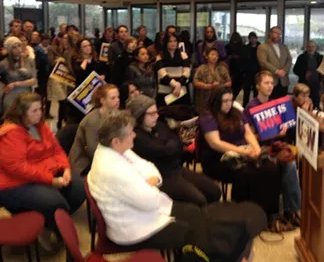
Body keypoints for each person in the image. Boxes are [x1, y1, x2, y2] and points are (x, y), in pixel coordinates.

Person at [88, 111, 260, 261]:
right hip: (135, 228)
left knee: (196, 212)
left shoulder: (116, 149)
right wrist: (149, 184)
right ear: (116, 141)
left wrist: (149, 182)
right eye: (130, 133)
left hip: (143, 211)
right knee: (196, 233)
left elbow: (148, 166)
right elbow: (150, 201)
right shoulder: (112, 169)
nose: (134, 135)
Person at [0, 92, 85, 249]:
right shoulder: (10, 133)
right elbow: (18, 168)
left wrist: (65, 168)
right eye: (35, 110)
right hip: (14, 183)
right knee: (56, 202)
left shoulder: (40, 126)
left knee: (79, 188)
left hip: (42, 172)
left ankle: (47, 225)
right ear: (21, 112)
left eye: (41, 109)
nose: (40, 114)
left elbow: (57, 150)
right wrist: (51, 181)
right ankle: (50, 225)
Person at [199, 86, 282, 226]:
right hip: (217, 159)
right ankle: (242, 216)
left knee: (271, 168)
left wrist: (256, 149)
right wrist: (243, 152)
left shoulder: (236, 112)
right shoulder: (208, 117)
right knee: (245, 173)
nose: (228, 104)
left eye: (230, 100)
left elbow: (248, 133)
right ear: (216, 101)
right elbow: (215, 143)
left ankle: (268, 214)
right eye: (224, 101)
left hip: (243, 153)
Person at [127, 94, 221, 206]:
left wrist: (168, 146)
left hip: (177, 169)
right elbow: (162, 150)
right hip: (162, 176)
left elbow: (178, 143)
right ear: (140, 115)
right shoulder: (135, 135)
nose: (156, 116)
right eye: (151, 114)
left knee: (214, 191)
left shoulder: (159, 125)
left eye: (156, 112)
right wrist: (169, 145)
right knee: (199, 200)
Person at [243, 70, 302, 227]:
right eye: (266, 83)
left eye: (271, 83)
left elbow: (285, 128)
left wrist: (281, 130)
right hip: (260, 148)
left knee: (290, 163)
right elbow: (248, 136)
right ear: (257, 86)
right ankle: (284, 211)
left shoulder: (276, 105)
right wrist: (267, 135)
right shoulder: (251, 107)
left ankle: (292, 211)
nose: (270, 86)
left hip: (276, 146)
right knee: (283, 166)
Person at [69, 84, 120, 175]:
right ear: (103, 100)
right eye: (113, 98)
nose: (117, 100)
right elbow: (93, 150)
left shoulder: (116, 114)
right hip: (84, 163)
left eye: (117, 97)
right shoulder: (92, 120)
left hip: (107, 157)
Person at [0, 36, 37, 111]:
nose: (18, 49)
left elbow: (34, 80)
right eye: (14, 47)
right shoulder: (4, 63)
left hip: (27, 96)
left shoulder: (29, 60)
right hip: (11, 97)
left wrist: (15, 84)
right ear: (9, 50)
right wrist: (2, 87)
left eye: (19, 45)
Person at [155, 33, 191, 106]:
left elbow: (187, 72)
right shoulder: (160, 56)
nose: (173, 43)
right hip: (164, 92)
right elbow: (162, 74)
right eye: (170, 41)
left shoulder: (183, 55)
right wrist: (175, 85)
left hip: (181, 92)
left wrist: (179, 84)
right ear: (166, 43)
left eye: (175, 41)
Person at [256, 26, 292, 99]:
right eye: (276, 33)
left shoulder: (284, 47)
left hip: (283, 81)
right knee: (270, 103)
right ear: (270, 33)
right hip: (270, 80)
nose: (278, 35)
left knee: (283, 103)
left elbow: (289, 60)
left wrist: (284, 71)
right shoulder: (263, 47)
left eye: (280, 34)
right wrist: (277, 71)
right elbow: (263, 62)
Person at [193, 47, 231, 114]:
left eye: (217, 55)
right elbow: (195, 82)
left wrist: (221, 85)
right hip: (204, 99)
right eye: (212, 54)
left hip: (219, 99)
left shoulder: (222, 68)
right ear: (207, 56)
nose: (215, 57)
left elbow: (229, 82)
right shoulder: (201, 68)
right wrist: (208, 86)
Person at [293, 40, 322, 108]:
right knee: (302, 103)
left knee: (316, 103)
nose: (311, 48)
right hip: (304, 84)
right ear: (306, 47)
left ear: (315, 47)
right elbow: (295, 70)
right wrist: (304, 74)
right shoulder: (301, 57)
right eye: (309, 46)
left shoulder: (320, 57)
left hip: (316, 84)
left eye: (312, 46)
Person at [242, 32, 260, 107]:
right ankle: (245, 107)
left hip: (257, 72)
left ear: (256, 39)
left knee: (257, 91)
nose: (252, 40)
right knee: (246, 91)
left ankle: (256, 106)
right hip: (248, 73)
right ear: (249, 39)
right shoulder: (246, 48)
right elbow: (242, 60)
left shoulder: (260, 47)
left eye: (254, 38)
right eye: (251, 38)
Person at [226, 32, 245, 99]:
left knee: (237, 86)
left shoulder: (242, 47)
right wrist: (231, 57)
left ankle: (232, 98)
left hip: (239, 69)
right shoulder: (228, 46)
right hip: (230, 69)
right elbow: (225, 57)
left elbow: (244, 57)